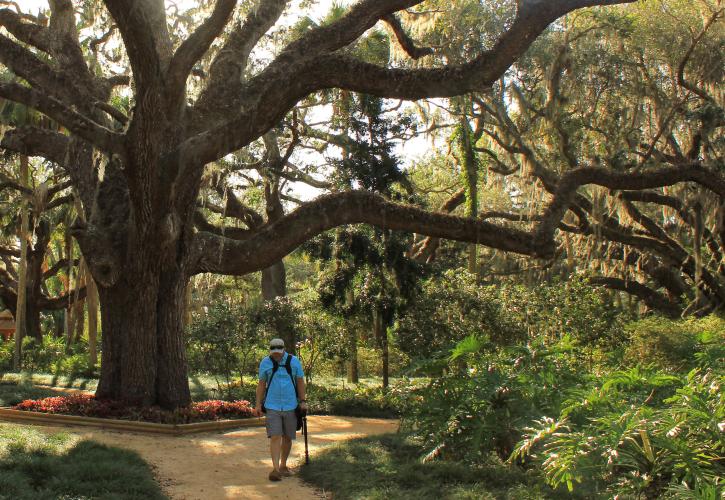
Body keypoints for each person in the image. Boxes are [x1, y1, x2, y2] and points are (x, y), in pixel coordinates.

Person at [254, 338, 307, 481]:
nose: (276, 355)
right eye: (274, 352)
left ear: (283, 349)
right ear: (270, 350)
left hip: (291, 405)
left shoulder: (294, 361)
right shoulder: (265, 362)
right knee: (275, 436)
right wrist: (258, 404)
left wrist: (303, 401)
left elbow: (300, 382)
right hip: (272, 405)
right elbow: (261, 384)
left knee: (288, 437)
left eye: (279, 352)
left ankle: (283, 465)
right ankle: (275, 469)